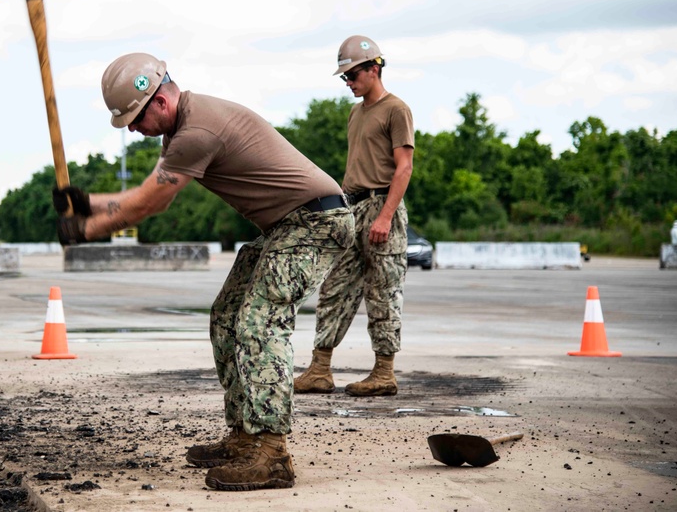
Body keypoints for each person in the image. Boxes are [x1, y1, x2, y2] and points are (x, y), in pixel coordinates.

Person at [53, 53, 354, 491]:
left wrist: (87, 229)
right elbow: (143, 191)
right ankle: (245, 436)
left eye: (135, 119)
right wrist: (88, 202)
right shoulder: (183, 131)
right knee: (227, 318)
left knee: (259, 324)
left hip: (317, 223)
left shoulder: (197, 132)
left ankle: (272, 453)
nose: (133, 129)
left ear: (159, 100)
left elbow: (149, 205)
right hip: (288, 226)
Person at [293, 35, 414, 397]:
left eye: (352, 75)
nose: (348, 82)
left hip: (382, 207)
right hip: (353, 207)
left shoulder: (397, 109)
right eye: (344, 77)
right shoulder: (355, 112)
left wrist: (385, 216)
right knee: (334, 288)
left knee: (383, 292)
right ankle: (319, 369)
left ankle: (384, 372)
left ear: (374, 69)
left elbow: (404, 167)